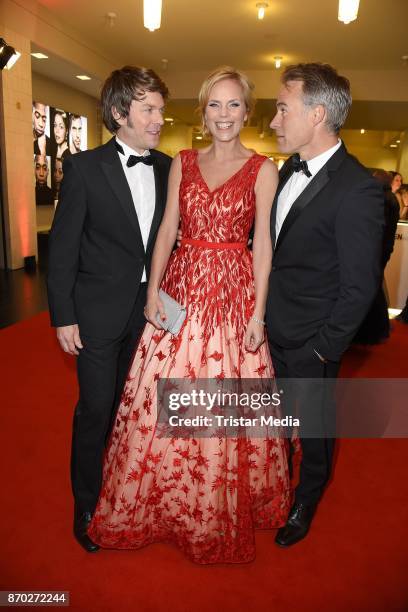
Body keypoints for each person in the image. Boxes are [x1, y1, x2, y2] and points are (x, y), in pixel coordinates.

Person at [88, 67, 291, 564]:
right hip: (181, 289)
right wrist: (153, 289)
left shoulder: (264, 169)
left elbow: (263, 244)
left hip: (234, 294)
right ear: (203, 112)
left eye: (234, 105)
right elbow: (166, 231)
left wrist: (258, 314)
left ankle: (211, 508)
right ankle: (159, 504)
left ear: (248, 111)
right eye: (215, 105)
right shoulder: (181, 161)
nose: (224, 115)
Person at [47, 66, 171, 553]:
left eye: (161, 108)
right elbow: (63, 251)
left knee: (132, 412)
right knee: (96, 409)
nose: (159, 118)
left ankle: (126, 489)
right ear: (120, 113)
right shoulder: (83, 168)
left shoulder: (166, 168)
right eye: (149, 109)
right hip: (96, 315)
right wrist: (62, 315)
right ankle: (85, 503)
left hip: (149, 317)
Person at [266, 63, 384, 547]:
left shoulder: (357, 188)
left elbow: (360, 287)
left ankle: (306, 499)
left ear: (316, 114)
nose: (273, 121)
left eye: (281, 108)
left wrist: (322, 349)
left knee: (312, 431)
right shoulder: (284, 169)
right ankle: (274, 485)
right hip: (267, 330)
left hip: (310, 341)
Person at [354, 169, 400, 344]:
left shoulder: (382, 200)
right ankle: (378, 329)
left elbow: (375, 229)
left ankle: (374, 330)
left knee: (371, 290)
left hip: (376, 250)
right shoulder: (389, 198)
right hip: (382, 250)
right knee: (374, 288)